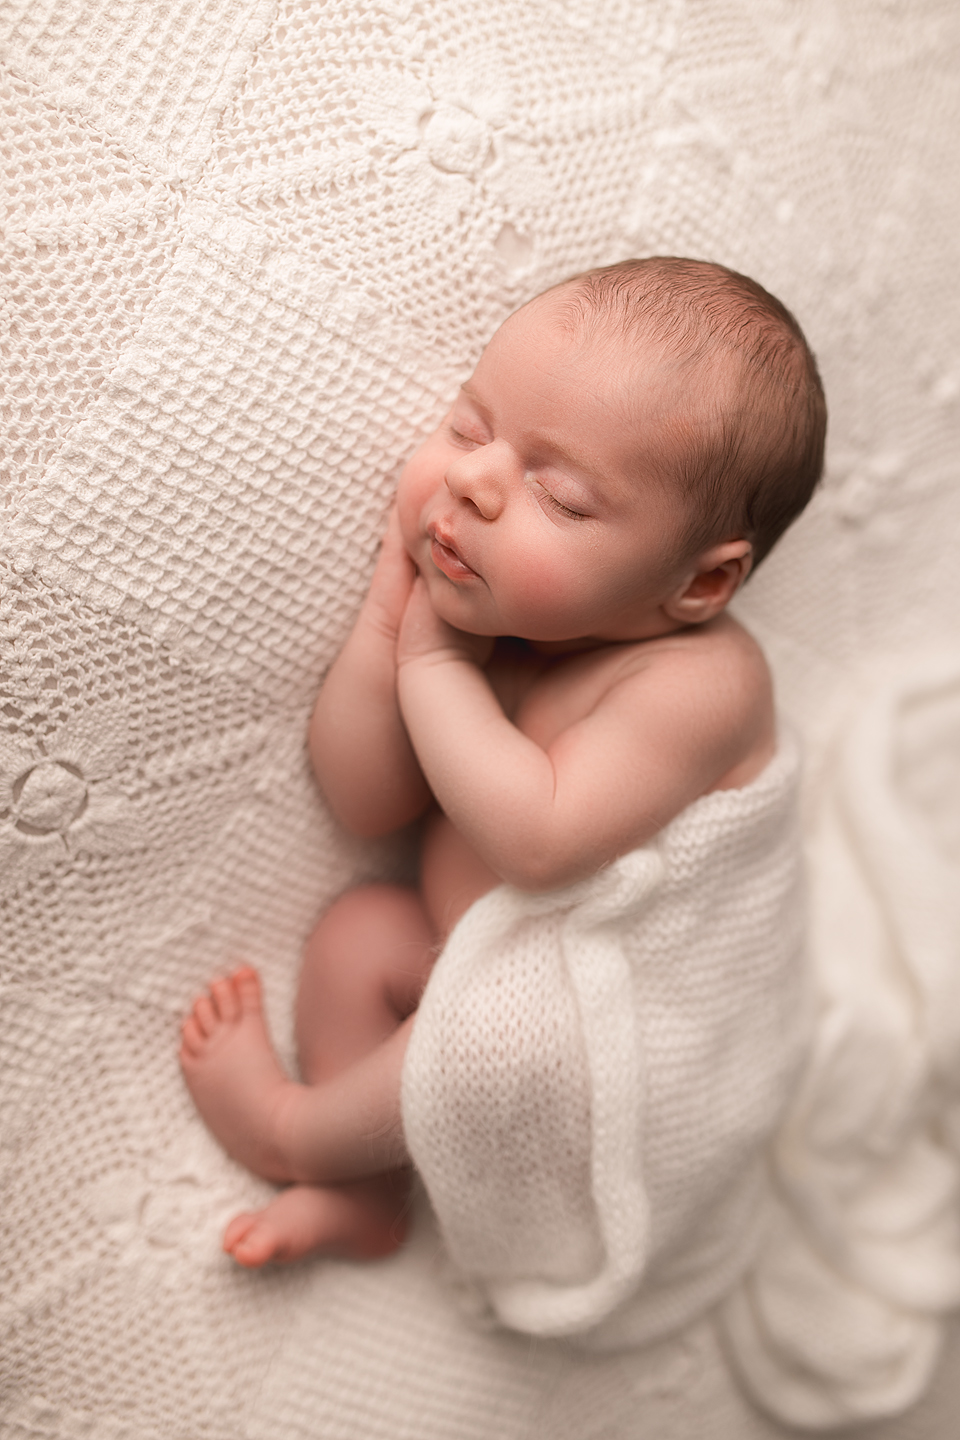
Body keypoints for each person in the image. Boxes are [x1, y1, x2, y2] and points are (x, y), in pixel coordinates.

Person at [179, 256, 826, 1270]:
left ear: (700, 582)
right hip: (458, 955)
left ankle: (292, 1132)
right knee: (359, 933)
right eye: (472, 429)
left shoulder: (701, 684)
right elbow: (365, 801)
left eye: (559, 495)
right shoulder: (512, 628)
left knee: (490, 1046)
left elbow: (537, 841)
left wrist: (433, 663)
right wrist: (384, 631)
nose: (473, 481)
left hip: (603, 1044)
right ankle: (363, 1191)